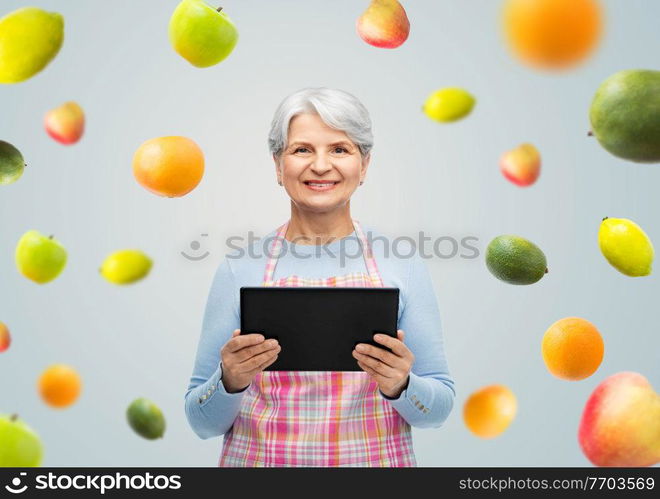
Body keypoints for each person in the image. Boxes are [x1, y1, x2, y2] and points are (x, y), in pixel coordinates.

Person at [184, 87, 455, 467]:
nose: (321, 165)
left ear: (364, 166)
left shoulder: (402, 263)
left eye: (340, 149)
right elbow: (201, 423)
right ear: (278, 166)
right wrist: (230, 379)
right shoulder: (239, 268)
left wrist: (401, 385)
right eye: (302, 149)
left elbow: (438, 410)